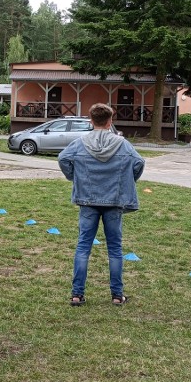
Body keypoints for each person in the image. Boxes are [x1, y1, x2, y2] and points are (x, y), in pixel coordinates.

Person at [57, 103, 145, 306]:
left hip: (88, 200)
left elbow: (63, 159)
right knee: (115, 248)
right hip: (114, 201)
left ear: (91, 120)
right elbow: (139, 163)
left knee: (83, 247)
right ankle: (117, 295)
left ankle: (77, 294)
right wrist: (126, 180)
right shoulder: (122, 144)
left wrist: (74, 177)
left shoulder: (80, 143)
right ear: (110, 121)